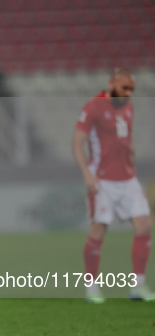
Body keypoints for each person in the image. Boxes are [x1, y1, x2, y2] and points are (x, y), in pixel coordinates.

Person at [73, 67, 154, 303]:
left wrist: (132, 163)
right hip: (103, 180)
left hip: (127, 178)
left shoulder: (128, 107)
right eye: (124, 88)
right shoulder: (93, 107)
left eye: (132, 89)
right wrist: (87, 174)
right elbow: (77, 143)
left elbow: (127, 141)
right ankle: (91, 287)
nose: (128, 93)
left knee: (144, 225)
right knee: (99, 230)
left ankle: (138, 286)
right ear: (112, 84)